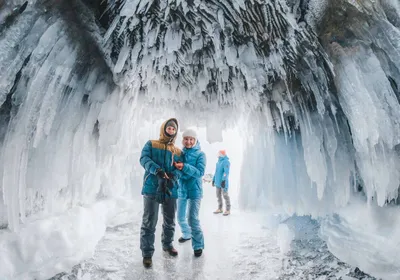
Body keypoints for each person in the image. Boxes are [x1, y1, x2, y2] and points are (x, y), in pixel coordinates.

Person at [139, 118, 183, 268]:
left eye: (173, 129)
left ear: (176, 131)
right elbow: (143, 159)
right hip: (152, 188)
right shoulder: (151, 144)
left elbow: (180, 169)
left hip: (171, 189)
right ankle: (147, 253)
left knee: (170, 220)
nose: (171, 130)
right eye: (169, 128)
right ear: (164, 129)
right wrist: (156, 170)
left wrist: (174, 176)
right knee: (149, 221)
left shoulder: (177, 151)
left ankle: (167, 245)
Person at [174, 128, 206, 257]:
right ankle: (187, 234)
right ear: (183, 140)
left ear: (195, 140)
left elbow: (200, 172)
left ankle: (198, 245)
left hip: (195, 191)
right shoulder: (180, 154)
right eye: (186, 139)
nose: (188, 141)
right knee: (181, 217)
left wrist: (184, 167)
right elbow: (177, 169)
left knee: (192, 219)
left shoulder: (200, 154)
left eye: (191, 139)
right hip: (182, 189)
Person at [212, 150, 231, 216]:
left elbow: (226, 172)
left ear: (222, 154)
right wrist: (213, 180)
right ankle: (220, 208)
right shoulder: (218, 162)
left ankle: (228, 209)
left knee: (225, 195)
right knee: (218, 195)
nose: (218, 155)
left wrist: (223, 180)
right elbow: (216, 172)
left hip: (223, 183)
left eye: (219, 153)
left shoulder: (226, 162)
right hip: (217, 182)